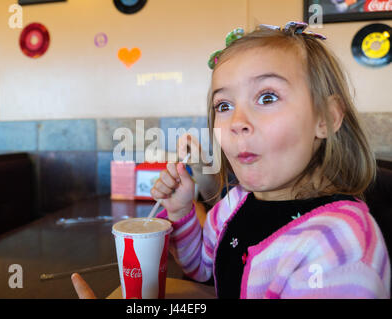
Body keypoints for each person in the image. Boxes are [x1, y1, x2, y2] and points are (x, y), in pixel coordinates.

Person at [71, 21, 390, 298]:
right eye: (223, 105)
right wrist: (182, 211)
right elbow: (201, 268)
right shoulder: (234, 204)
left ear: (327, 117)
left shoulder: (339, 246)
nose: (237, 120)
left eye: (267, 97)